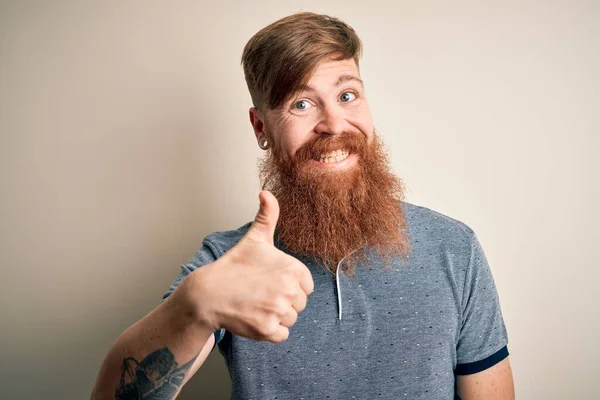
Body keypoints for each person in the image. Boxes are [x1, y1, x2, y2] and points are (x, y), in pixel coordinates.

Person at [91, 12, 515, 400]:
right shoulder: (227, 263)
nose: (334, 124)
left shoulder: (453, 248)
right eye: (301, 103)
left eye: (347, 95)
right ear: (262, 128)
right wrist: (194, 306)